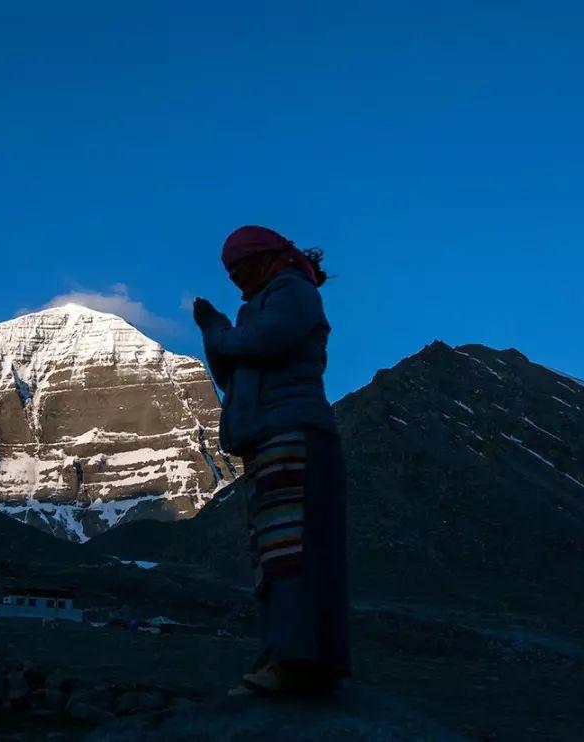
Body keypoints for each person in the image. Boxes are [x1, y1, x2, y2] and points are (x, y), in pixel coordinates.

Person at [193, 225, 350, 696]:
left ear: (262, 258)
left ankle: (299, 661)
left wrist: (218, 329)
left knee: (291, 548)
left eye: (239, 268)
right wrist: (216, 332)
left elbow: (260, 344)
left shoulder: (293, 293)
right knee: (274, 550)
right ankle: (290, 656)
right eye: (230, 273)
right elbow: (232, 367)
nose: (236, 279)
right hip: (268, 437)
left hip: (292, 434)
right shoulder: (260, 302)